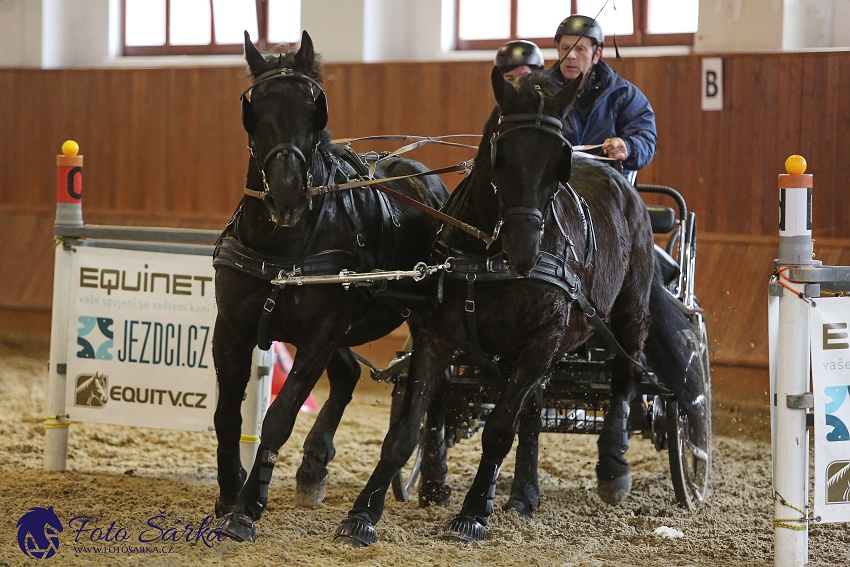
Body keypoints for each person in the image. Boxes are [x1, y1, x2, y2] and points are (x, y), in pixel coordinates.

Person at [548, 15, 657, 180]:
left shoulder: (623, 94)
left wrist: (627, 147)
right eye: (565, 48)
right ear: (557, 49)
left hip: (607, 186)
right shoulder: (539, 92)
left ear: (596, 54)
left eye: (580, 49)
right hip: (553, 186)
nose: (571, 55)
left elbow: (646, 140)